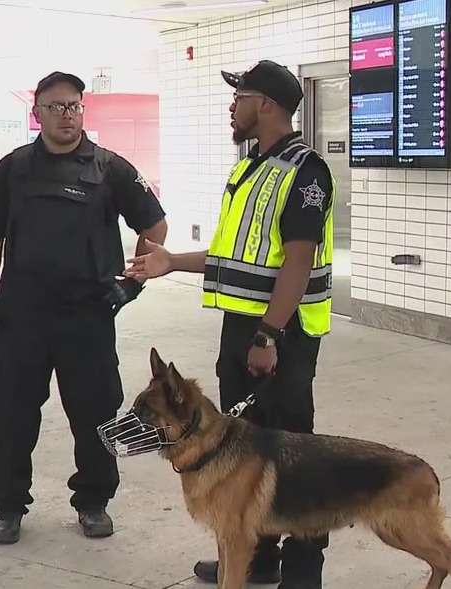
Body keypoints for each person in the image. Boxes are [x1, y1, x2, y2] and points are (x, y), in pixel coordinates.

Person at [124, 60, 335, 589]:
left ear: (265, 104)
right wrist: (173, 261)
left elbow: (298, 259)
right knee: (242, 450)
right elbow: (233, 256)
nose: (231, 107)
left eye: (239, 97)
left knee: (293, 455)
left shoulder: (305, 171)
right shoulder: (250, 169)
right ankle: (256, 558)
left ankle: (305, 570)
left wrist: (270, 334)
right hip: (241, 328)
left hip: (282, 334)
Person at [0, 70, 168, 545]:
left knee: (96, 413)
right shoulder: (13, 168)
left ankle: (94, 502)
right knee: (12, 413)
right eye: (56, 106)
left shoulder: (110, 169)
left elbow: (155, 226)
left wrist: (132, 282)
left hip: (88, 315)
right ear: (37, 113)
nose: (67, 115)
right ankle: (9, 505)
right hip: (23, 316)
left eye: (75, 106)